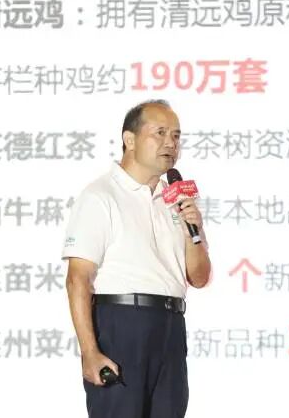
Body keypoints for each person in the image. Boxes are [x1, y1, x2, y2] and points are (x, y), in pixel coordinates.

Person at [62, 99, 211, 417]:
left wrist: (194, 231)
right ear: (129, 140)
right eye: (160, 133)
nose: (171, 143)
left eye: (176, 135)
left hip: (171, 327)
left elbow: (199, 277)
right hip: (122, 326)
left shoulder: (176, 200)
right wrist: (89, 352)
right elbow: (77, 278)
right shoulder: (101, 195)